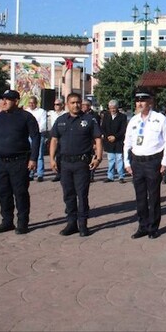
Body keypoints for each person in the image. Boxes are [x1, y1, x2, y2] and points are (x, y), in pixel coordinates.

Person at [0, 90, 40, 234]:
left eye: (8, 99)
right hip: (0, 162)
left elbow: (35, 138)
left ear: (16, 101)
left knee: (20, 192)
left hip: (19, 161)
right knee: (3, 193)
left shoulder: (26, 117)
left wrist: (33, 158)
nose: (4, 102)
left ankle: (22, 222)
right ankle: (7, 221)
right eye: (3, 99)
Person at [49, 93, 103, 237]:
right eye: (72, 102)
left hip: (82, 163)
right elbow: (54, 140)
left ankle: (83, 225)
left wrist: (98, 157)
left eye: (78, 102)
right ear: (67, 104)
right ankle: (71, 223)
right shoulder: (60, 120)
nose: (76, 105)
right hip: (65, 163)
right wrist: (52, 159)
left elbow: (98, 139)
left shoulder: (89, 119)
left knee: (82, 195)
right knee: (68, 195)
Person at [123, 88, 166, 240]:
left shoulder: (160, 118)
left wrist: (164, 163)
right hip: (137, 162)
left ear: (150, 101)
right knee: (140, 197)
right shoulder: (133, 120)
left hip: (153, 162)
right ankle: (142, 226)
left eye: (143, 100)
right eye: (137, 100)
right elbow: (127, 142)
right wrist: (126, 162)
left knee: (153, 197)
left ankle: (153, 227)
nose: (139, 103)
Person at [101, 100, 128, 183]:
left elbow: (123, 129)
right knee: (111, 159)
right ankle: (110, 176)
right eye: (111, 108)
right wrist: (108, 136)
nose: (112, 110)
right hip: (109, 141)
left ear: (117, 108)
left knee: (119, 159)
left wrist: (115, 137)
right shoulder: (106, 116)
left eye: (114, 108)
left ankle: (121, 176)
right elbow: (103, 127)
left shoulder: (122, 116)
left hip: (118, 141)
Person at [25, 96, 48, 182]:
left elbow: (43, 124)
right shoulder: (26, 111)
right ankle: (30, 173)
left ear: (36, 103)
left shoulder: (41, 111)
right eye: (30, 103)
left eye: (33, 103)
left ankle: (40, 174)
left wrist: (35, 131)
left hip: (38, 134)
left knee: (39, 154)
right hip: (28, 135)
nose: (31, 104)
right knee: (29, 154)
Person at [46, 98, 67, 182]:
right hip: (53, 135)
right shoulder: (51, 113)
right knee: (55, 155)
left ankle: (64, 173)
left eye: (58, 104)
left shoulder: (65, 114)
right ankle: (58, 173)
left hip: (63, 136)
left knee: (62, 155)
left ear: (62, 105)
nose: (56, 106)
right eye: (55, 104)